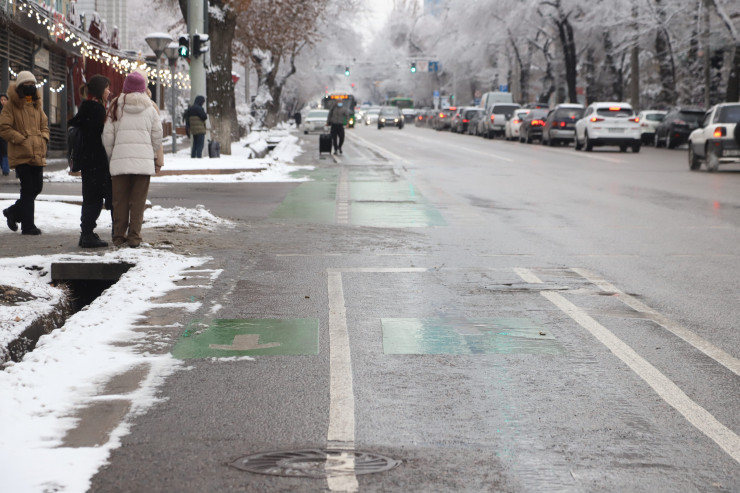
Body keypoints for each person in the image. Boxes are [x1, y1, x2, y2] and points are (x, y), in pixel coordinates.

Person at [103, 71, 162, 248]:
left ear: (125, 87)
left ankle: (119, 236)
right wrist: (150, 152)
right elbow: (157, 136)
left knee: (119, 201)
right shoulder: (150, 108)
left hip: (120, 162)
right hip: (143, 164)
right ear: (143, 88)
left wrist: (113, 154)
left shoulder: (116, 106)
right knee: (138, 202)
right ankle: (134, 237)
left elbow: (107, 136)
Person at [0, 71, 49, 235]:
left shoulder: (36, 105)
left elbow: (44, 125)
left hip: (37, 152)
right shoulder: (11, 106)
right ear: (20, 87)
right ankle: (28, 226)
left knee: (37, 187)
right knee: (27, 189)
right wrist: (21, 139)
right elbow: (4, 128)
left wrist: (44, 138)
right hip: (21, 153)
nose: (30, 88)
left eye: (32, 85)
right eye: (27, 85)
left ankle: (13, 212)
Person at [69, 75, 112, 248]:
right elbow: (98, 136)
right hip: (95, 160)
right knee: (95, 198)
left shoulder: (87, 106)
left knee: (90, 197)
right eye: (107, 88)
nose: (109, 91)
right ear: (100, 90)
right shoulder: (97, 109)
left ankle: (86, 233)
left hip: (88, 160)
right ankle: (87, 235)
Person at [0, 93, 9, 176]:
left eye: (4, 100)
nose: (3, 101)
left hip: (6, 134)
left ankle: (5, 169)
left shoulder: (10, 110)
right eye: (1, 100)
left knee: (5, 152)